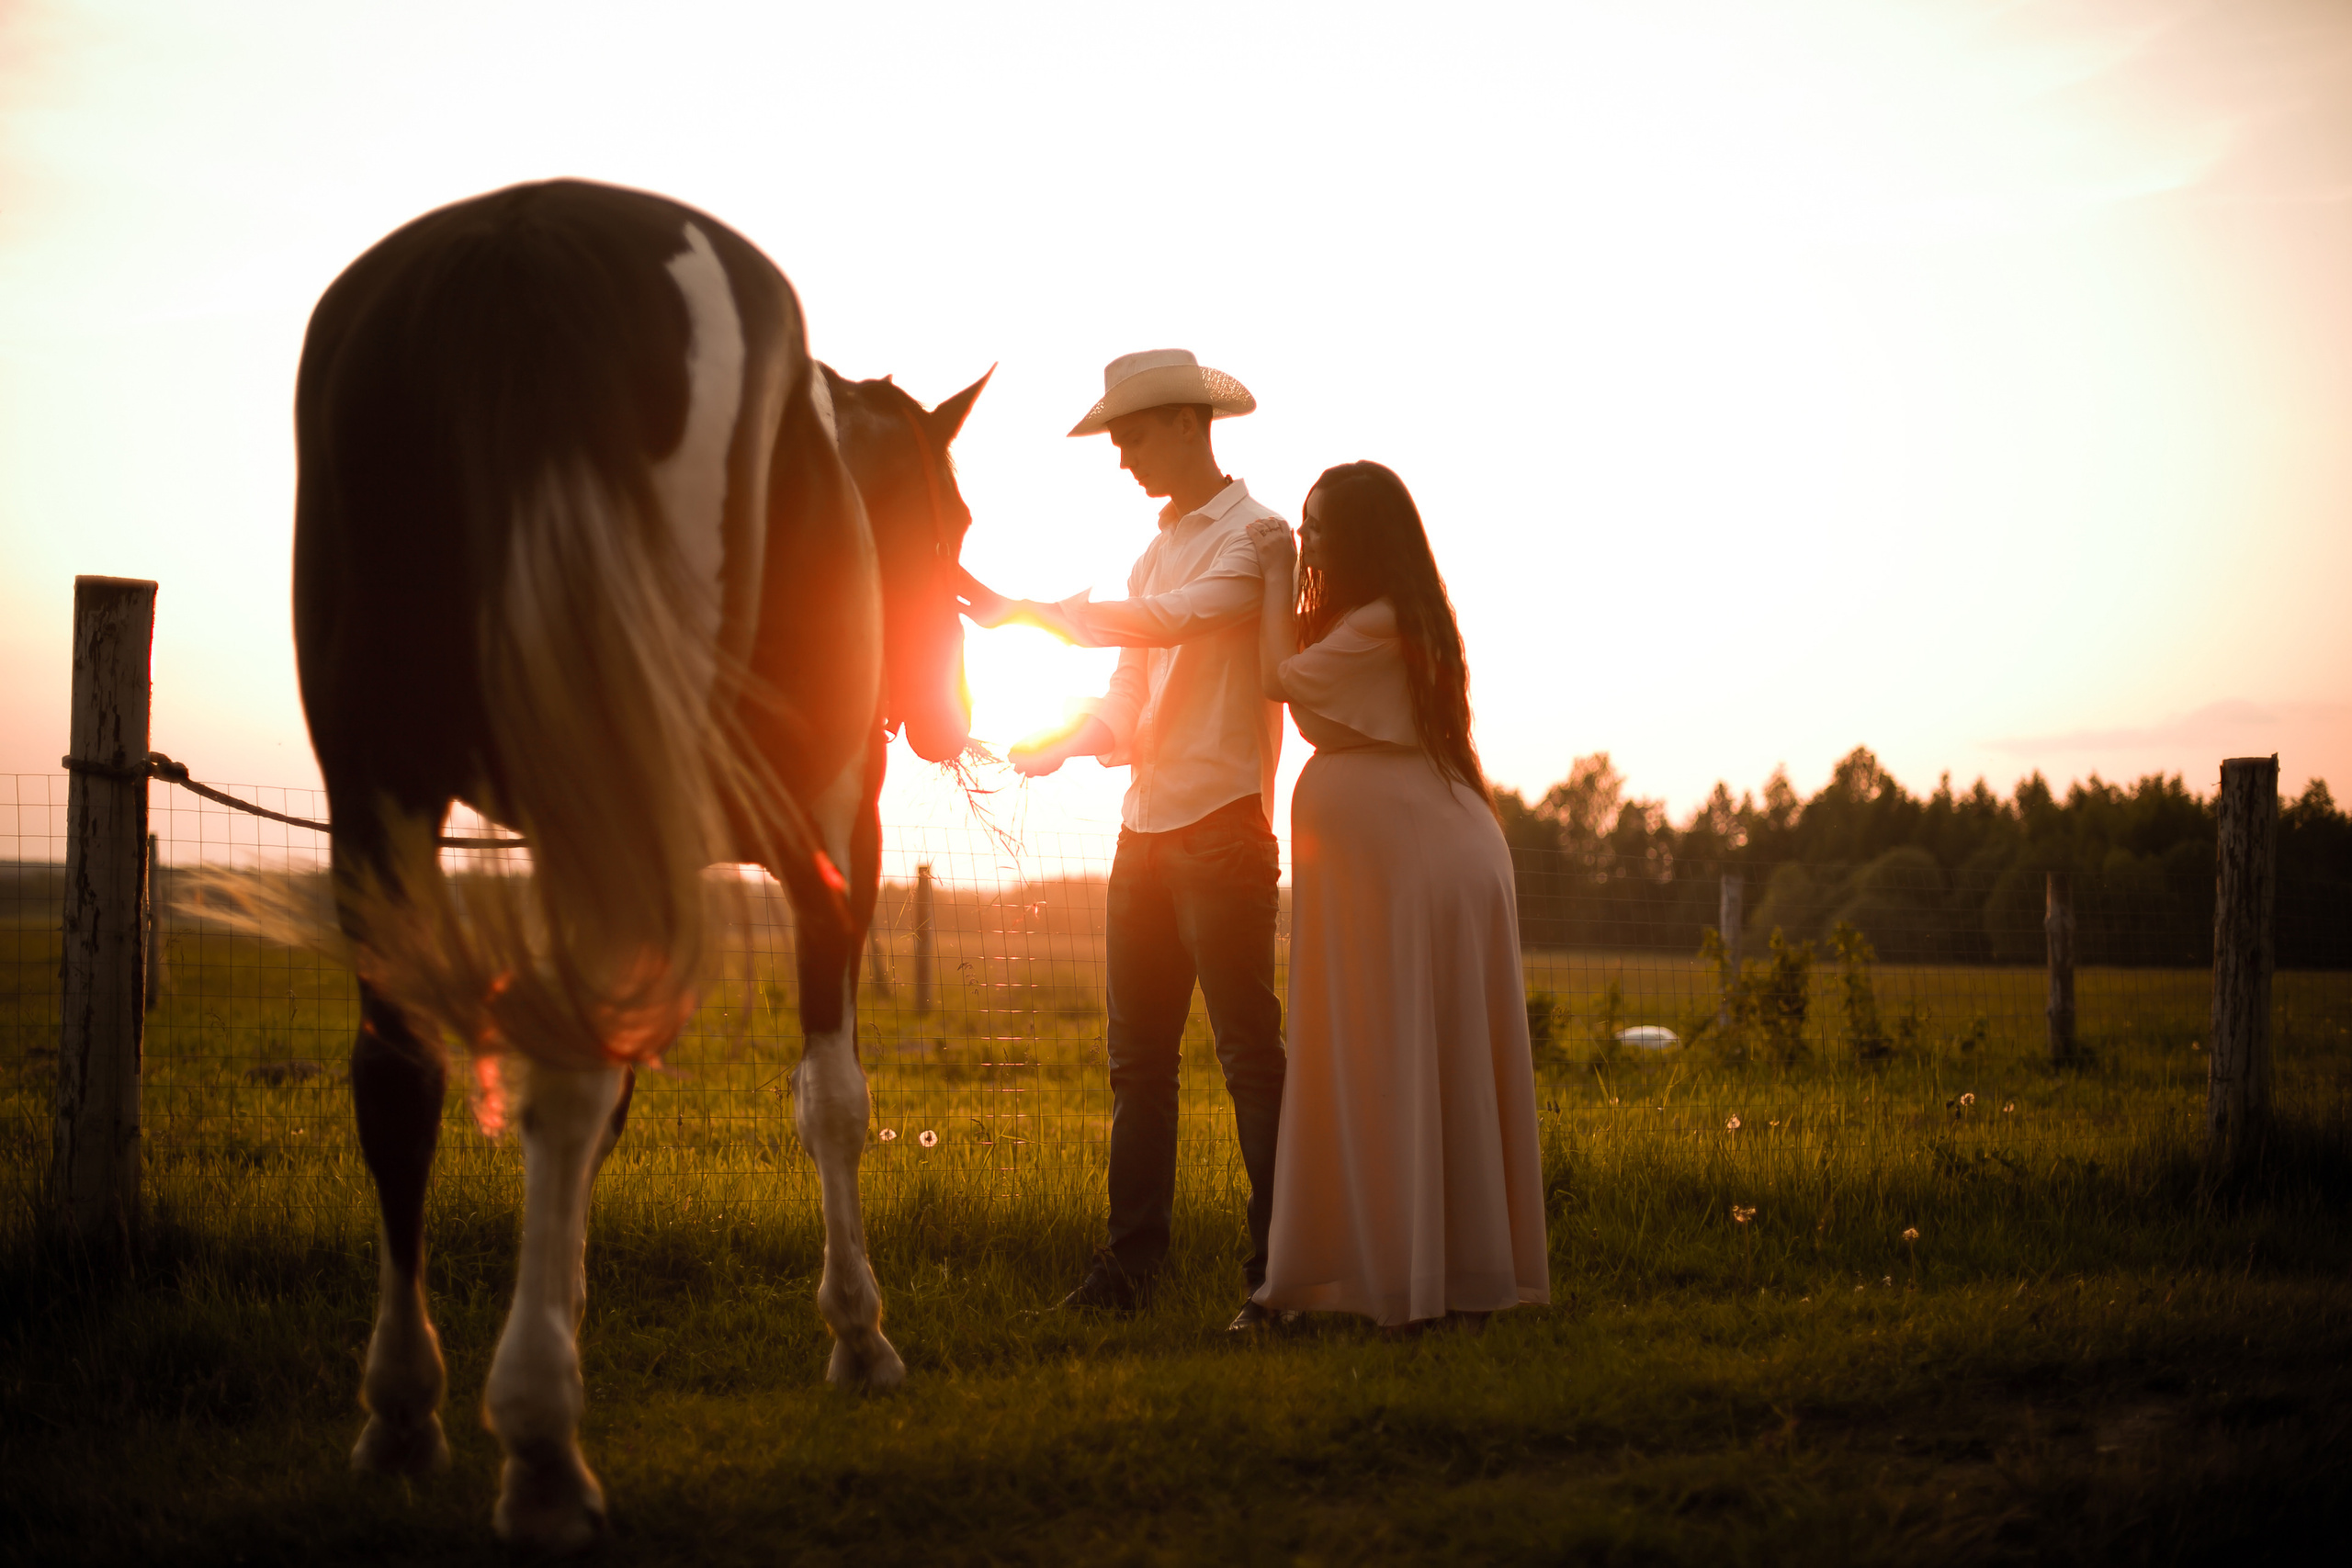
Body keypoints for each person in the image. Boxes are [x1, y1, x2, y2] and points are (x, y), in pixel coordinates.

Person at [956, 349, 1289, 1330]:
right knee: (1137, 1068)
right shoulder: (1152, 550)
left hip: (1223, 830)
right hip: (1143, 837)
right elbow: (1134, 699)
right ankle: (1130, 1270)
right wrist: (1068, 743)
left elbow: (1174, 621)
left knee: (1247, 1061)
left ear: (1190, 425)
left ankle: (1273, 1280)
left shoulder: (1259, 540)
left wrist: (1034, 614)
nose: (1120, 458)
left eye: (1131, 435)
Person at [1240, 461, 1549, 1332]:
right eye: (1303, 525)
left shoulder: (1380, 622)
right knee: (1378, 1052)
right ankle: (1389, 1262)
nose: (1309, 540)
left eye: (1322, 526)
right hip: (1393, 849)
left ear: (1367, 538)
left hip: (1414, 855)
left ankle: (1418, 1273)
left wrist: (1271, 570)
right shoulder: (1371, 617)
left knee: (1401, 1050)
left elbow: (1276, 675)